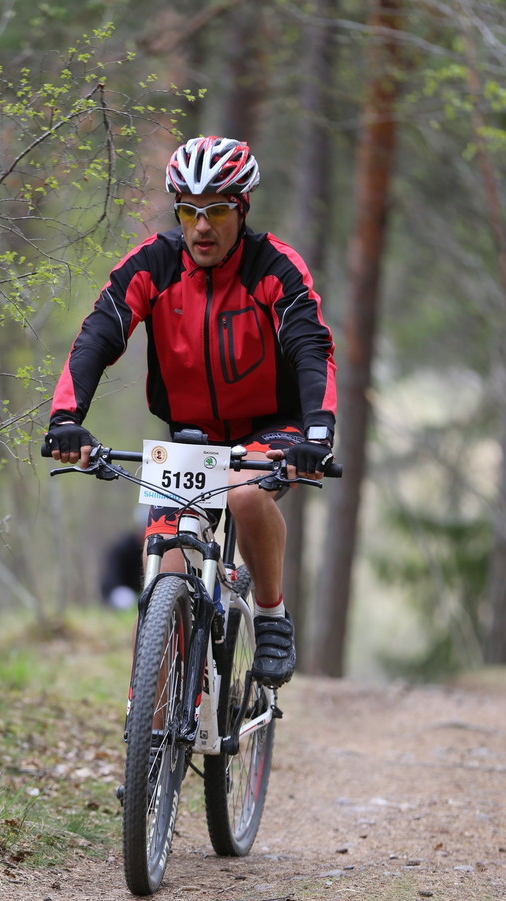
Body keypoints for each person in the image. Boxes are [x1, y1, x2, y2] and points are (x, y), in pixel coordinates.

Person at [44, 135, 337, 686]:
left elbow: (310, 346)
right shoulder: (152, 264)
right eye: (189, 211)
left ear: (242, 209)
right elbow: (98, 336)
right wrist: (66, 419)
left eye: (217, 211)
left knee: (245, 494)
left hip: (272, 426)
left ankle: (271, 615)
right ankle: (161, 729)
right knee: (163, 577)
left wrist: (317, 433)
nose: (202, 227)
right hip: (191, 437)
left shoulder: (274, 267)